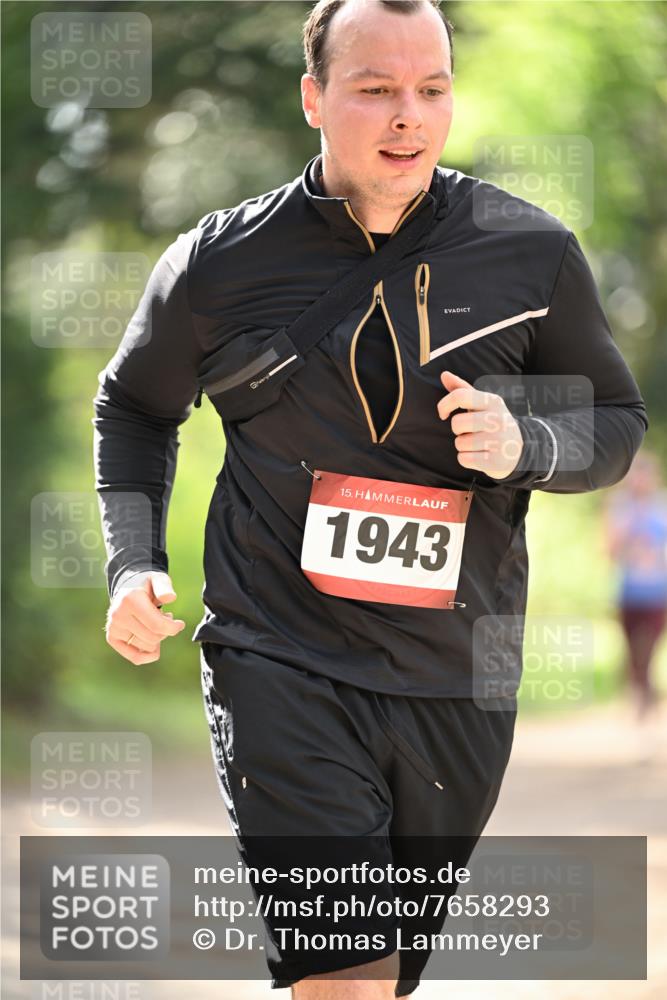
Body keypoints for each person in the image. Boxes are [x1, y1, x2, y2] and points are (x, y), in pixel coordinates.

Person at [92, 1, 649, 996]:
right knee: (344, 973)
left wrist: (528, 442)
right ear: (314, 98)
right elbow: (133, 407)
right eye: (377, 89)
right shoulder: (220, 263)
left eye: (430, 89)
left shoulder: (531, 255)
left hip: (453, 681)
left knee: (384, 979)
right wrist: (133, 561)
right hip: (279, 655)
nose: (409, 116)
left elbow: (614, 424)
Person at [604, 450, 667, 721]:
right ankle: (642, 698)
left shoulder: (662, 507)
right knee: (632, 653)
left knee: (648, 651)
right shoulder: (619, 507)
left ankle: (644, 702)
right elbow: (609, 550)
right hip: (628, 592)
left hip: (657, 593)